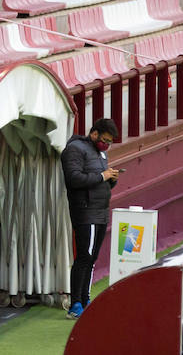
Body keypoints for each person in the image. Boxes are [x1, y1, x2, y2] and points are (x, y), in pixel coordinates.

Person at [62, 118, 121, 318]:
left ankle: (86, 299)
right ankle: (75, 303)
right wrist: (102, 177)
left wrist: (110, 181)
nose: (107, 145)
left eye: (110, 142)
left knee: (92, 258)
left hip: (101, 210)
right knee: (84, 257)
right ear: (94, 133)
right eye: (104, 140)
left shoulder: (100, 153)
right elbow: (73, 178)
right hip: (85, 211)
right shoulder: (75, 150)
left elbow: (99, 180)